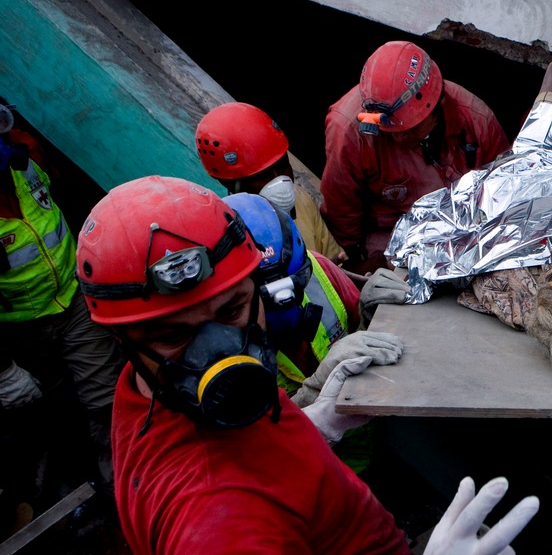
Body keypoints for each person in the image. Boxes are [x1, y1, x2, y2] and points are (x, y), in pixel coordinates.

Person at [75, 175, 545, 555]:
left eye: (232, 310)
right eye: (176, 336)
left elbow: (240, 458)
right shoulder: (219, 521)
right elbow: (226, 504)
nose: (220, 355)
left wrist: (311, 425)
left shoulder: (153, 389)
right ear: (123, 341)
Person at [0, 102, 121, 500]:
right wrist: (4, 370)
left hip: (73, 302)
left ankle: (121, 484)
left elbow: (68, 197)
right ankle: (69, 482)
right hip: (21, 331)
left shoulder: (26, 158)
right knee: (52, 410)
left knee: (105, 398)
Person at [224, 192, 389, 474]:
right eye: (267, 301)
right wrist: (316, 389)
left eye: (296, 284)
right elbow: (254, 451)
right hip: (304, 473)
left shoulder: (319, 270)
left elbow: (363, 332)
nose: (285, 306)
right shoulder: (219, 353)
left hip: (365, 445)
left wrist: (375, 313)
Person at [322, 41, 510, 274]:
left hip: (464, 234)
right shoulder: (349, 130)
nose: (399, 138)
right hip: (385, 237)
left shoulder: (476, 121)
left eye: (410, 128)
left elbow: (506, 194)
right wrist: (357, 259)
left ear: (438, 106)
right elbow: (342, 209)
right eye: (391, 130)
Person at [196, 101, 346, 263]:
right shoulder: (224, 242)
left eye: (283, 166)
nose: (279, 180)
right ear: (228, 183)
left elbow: (337, 264)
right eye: (261, 176)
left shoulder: (301, 201)